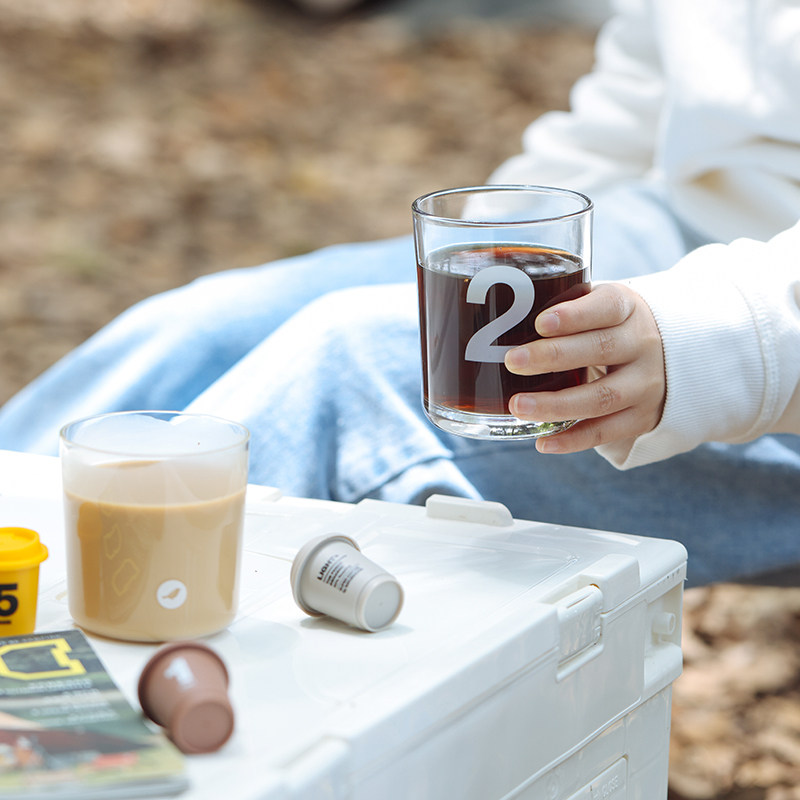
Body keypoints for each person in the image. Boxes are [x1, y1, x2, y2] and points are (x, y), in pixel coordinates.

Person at [1, 0, 798, 587]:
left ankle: (62, 679)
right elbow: (639, 101)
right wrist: (504, 241)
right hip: (658, 229)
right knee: (207, 328)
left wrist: (730, 343)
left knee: (349, 374)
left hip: (762, 336)